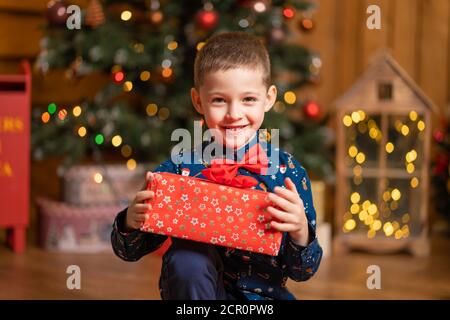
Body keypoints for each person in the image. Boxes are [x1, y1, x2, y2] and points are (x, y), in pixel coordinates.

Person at [111, 31, 323, 300]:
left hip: (264, 301)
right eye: (219, 100)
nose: (234, 114)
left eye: (248, 99)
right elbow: (128, 251)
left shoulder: (288, 173)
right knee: (186, 258)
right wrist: (132, 220)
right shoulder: (180, 169)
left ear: (269, 98)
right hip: (195, 296)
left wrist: (300, 232)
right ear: (198, 100)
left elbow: (304, 271)